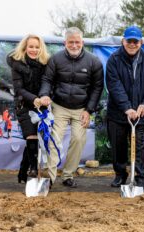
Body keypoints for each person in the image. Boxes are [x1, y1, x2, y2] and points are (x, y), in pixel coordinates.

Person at [39, 27, 104, 188]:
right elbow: (47, 79)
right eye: (71, 42)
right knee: (54, 139)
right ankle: (50, 178)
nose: (74, 45)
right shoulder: (55, 59)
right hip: (59, 106)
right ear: (65, 43)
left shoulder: (94, 61)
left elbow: (97, 88)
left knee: (79, 139)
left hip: (82, 109)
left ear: (82, 42)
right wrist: (44, 95)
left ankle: (68, 175)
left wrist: (89, 110)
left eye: (77, 42)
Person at [106, 26, 144, 189]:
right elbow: (114, 85)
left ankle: (141, 176)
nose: (132, 44)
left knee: (140, 145)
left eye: (136, 41)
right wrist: (127, 108)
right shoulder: (114, 59)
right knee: (118, 145)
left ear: (141, 42)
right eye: (129, 41)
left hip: (141, 112)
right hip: (118, 112)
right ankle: (121, 175)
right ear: (123, 41)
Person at [7, 34, 50, 183]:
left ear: (41, 48)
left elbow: (48, 83)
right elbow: (19, 89)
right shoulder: (17, 63)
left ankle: (22, 171)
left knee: (37, 139)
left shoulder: (46, 64)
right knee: (31, 135)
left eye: (37, 47)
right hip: (24, 104)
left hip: (41, 106)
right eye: (31, 46)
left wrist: (44, 97)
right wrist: (34, 99)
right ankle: (33, 169)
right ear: (25, 47)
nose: (34, 49)